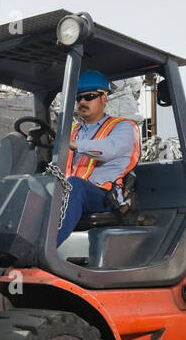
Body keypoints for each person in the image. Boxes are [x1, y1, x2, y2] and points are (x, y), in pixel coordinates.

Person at [55, 70, 141, 247]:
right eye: (79, 98)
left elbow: (109, 149)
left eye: (89, 96)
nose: (82, 102)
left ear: (104, 98)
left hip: (104, 196)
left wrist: (75, 144)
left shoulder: (123, 127)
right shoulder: (72, 131)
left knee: (75, 185)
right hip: (70, 193)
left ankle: (46, 249)